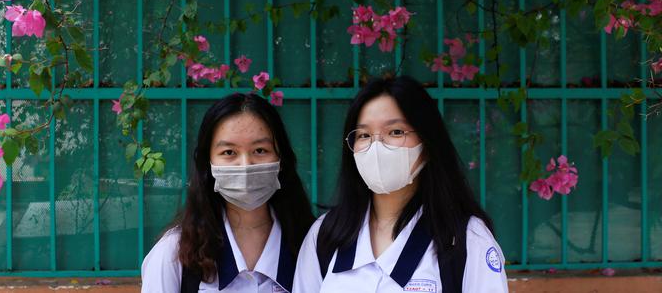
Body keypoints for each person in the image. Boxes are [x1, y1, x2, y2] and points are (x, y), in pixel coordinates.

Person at [293, 75, 508, 293]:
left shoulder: (465, 239)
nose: (376, 146)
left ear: (427, 144)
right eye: (364, 135)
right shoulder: (325, 235)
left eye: (396, 132)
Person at [142, 92, 315, 292]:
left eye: (260, 150)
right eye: (229, 152)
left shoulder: (313, 247)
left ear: (281, 160)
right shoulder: (173, 254)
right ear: (208, 164)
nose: (245, 165)